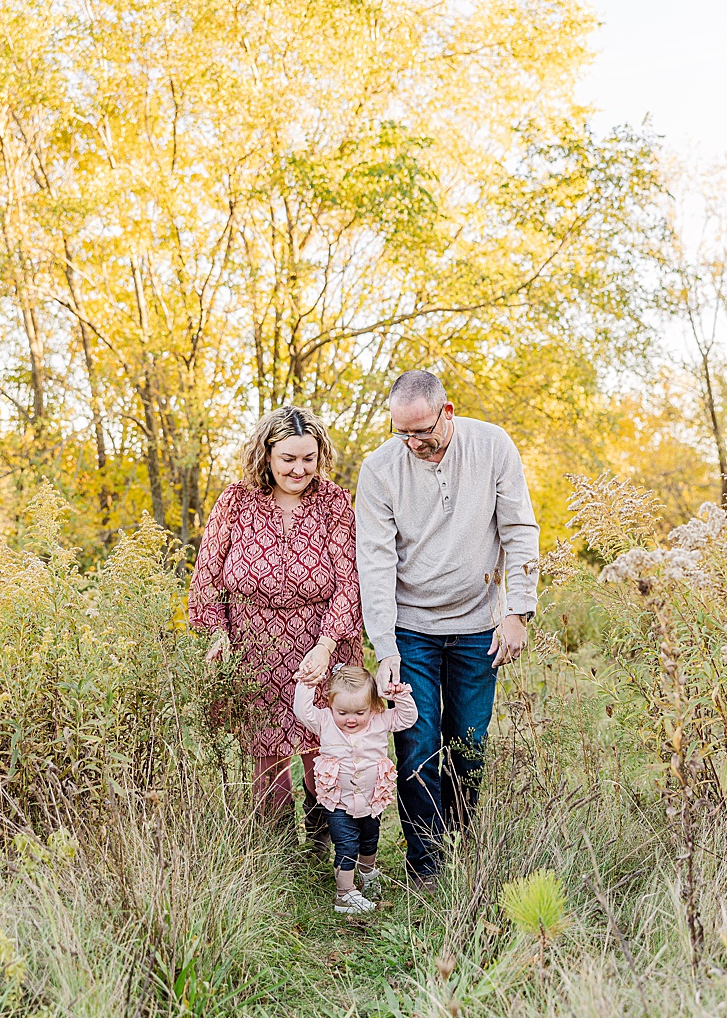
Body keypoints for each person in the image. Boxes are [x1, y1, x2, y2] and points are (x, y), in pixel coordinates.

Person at [355, 370, 538, 888]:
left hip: (479, 625)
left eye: (423, 432)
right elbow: (375, 560)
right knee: (417, 744)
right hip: (411, 628)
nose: (413, 443)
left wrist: (517, 610)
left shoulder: (492, 445)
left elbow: (519, 530)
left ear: (448, 412)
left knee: (468, 743)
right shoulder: (380, 470)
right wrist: (385, 645)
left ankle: (461, 846)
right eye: (402, 433)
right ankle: (427, 865)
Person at [188, 404, 362, 850]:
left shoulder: (335, 502)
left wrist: (326, 646)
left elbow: (349, 580)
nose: (299, 469)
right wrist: (217, 633)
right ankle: (277, 850)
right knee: (266, 748)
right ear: (266, 454)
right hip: (254, 641)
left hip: (321, 637)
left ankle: (326, 840)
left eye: (309, 458)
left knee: (320, 743)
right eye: (288, 458)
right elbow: (207, 575)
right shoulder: (235, 501)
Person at [291, 666, 417, 915]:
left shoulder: (380, 719)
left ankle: (368, 875)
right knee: (346, 846)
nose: (351, 719)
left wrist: (399, 695)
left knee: (369, 842)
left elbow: (407, 718)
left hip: (371, 800)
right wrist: (307, 683)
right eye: (343, 712)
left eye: (360, 712)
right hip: (338, 801)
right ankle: (344, 895)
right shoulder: (326, 721)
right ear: (330, 705)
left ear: (374, 706)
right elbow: (303, 711)